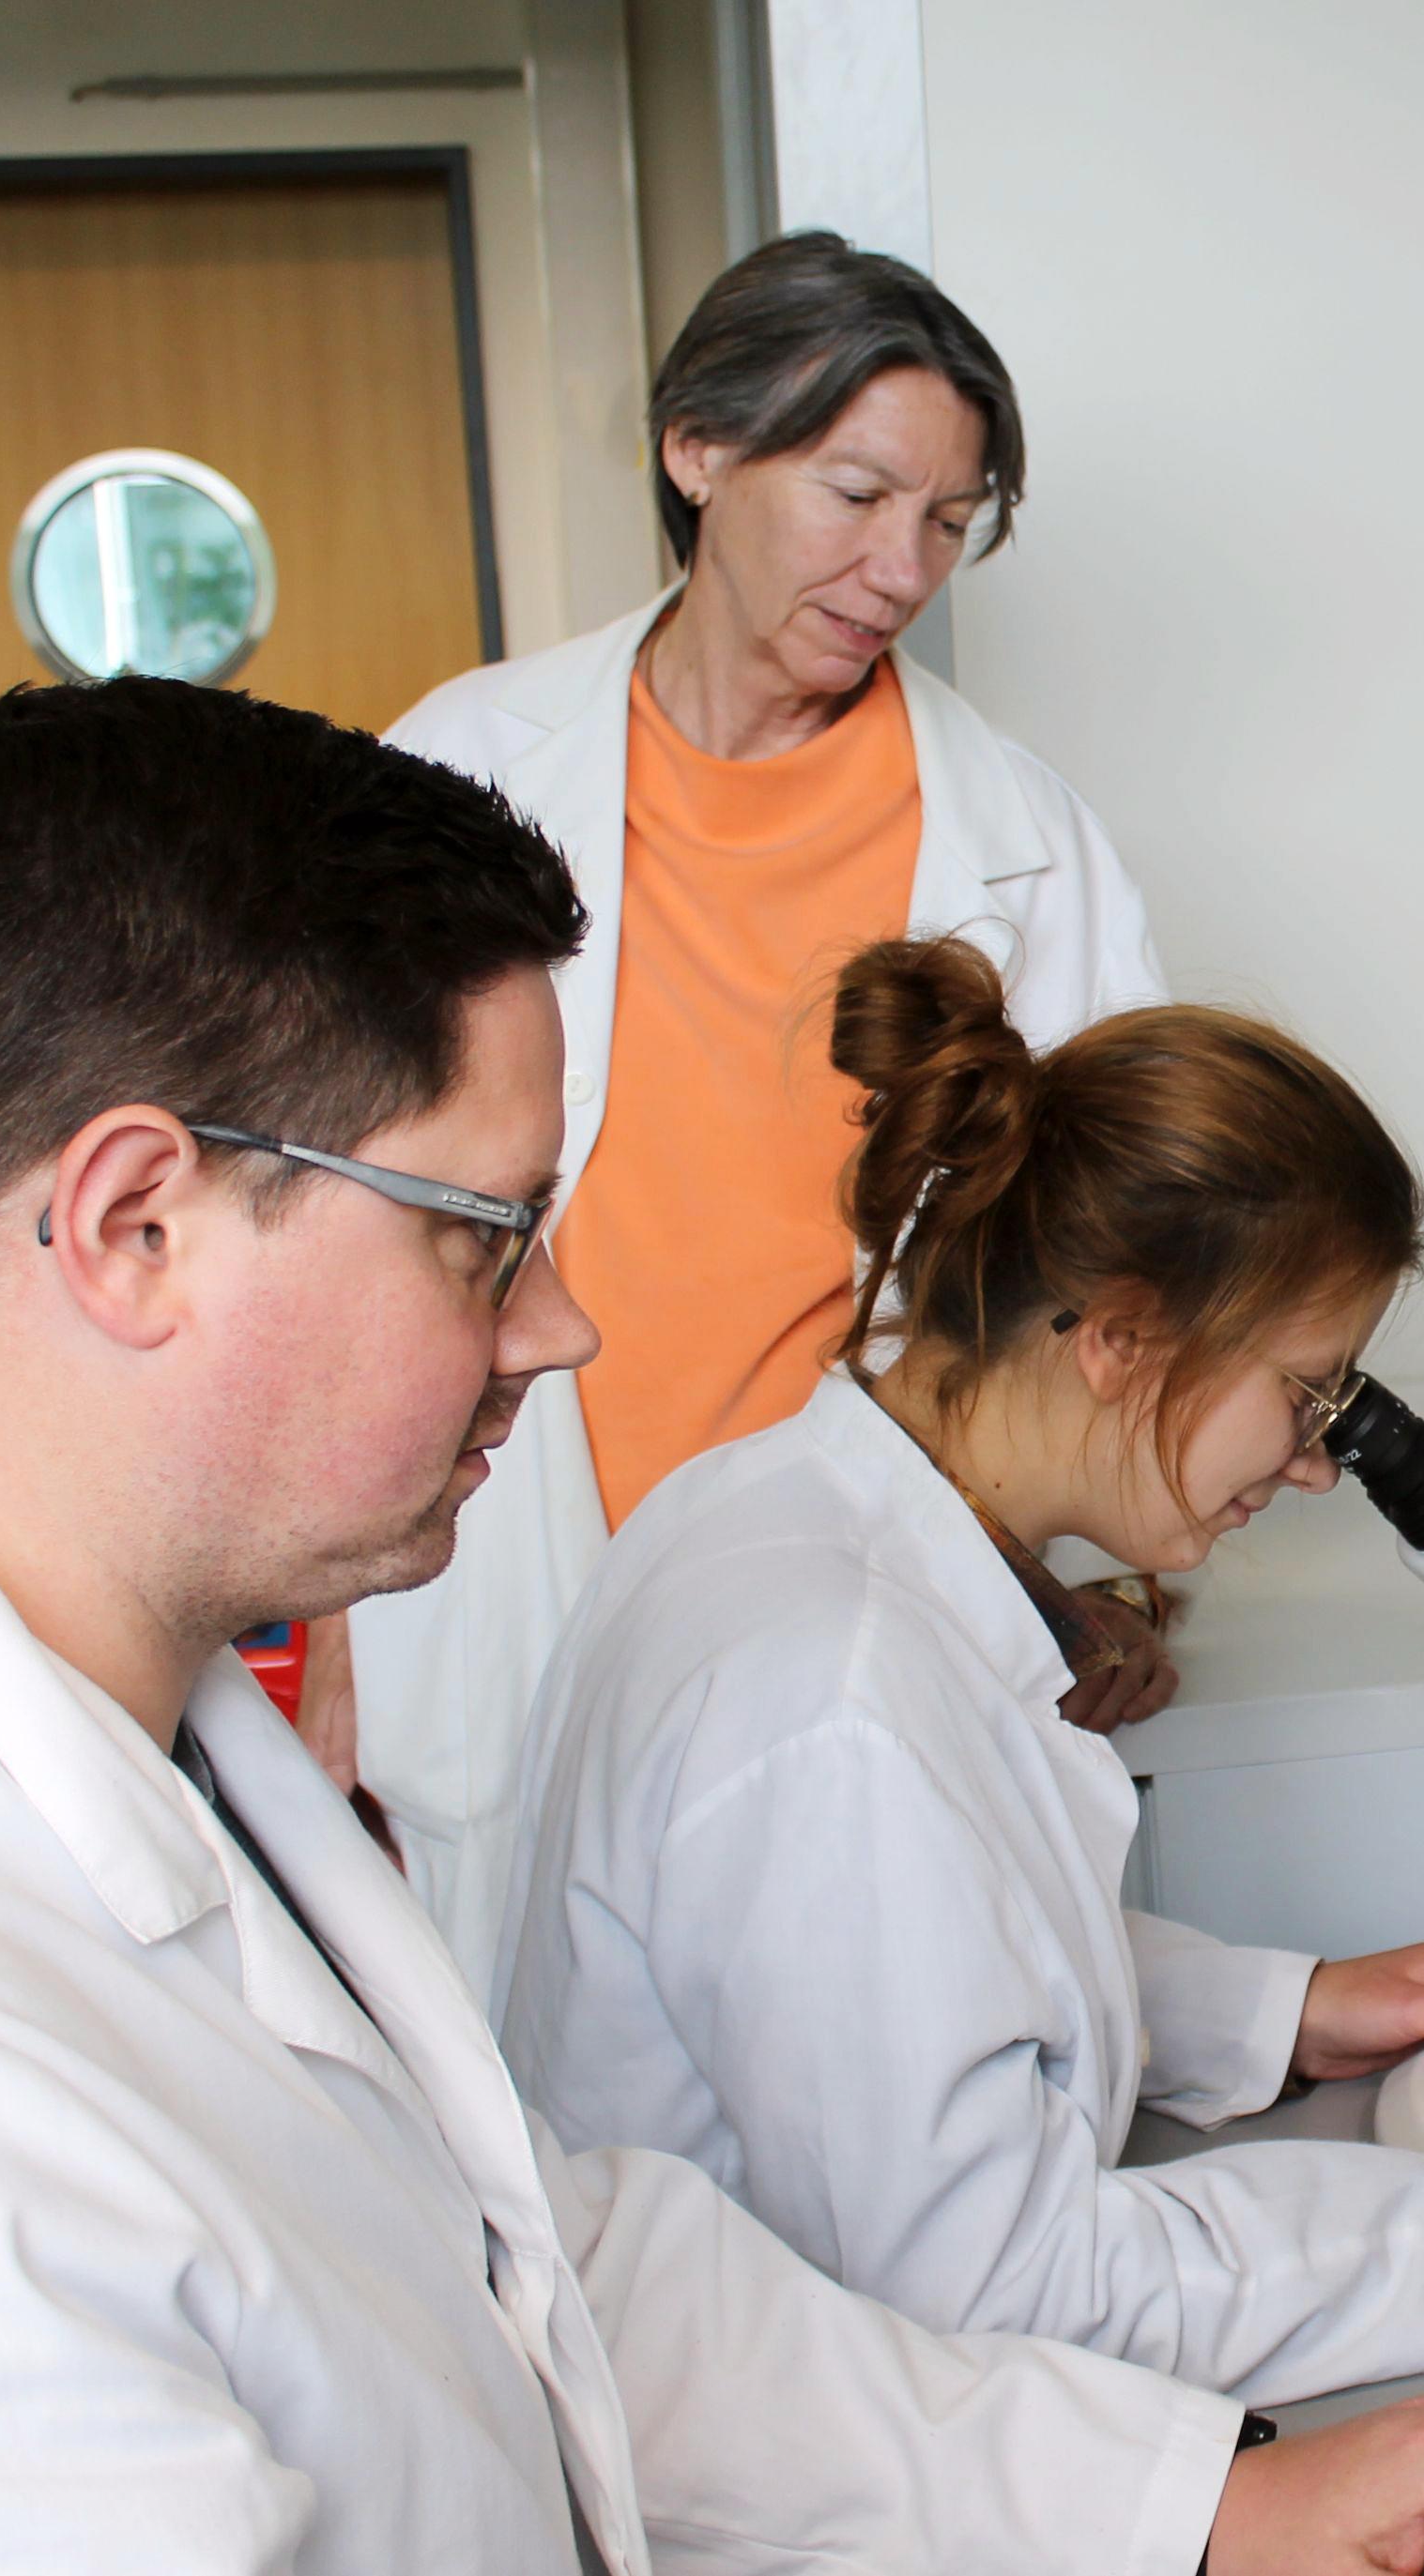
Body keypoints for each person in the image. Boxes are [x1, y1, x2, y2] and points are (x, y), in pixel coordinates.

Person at [0, 680, 1424, 2572]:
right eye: (482, 1237)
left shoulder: (132, 1723)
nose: (560, 1328)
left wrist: (1174, 2508)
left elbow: (544, 2277)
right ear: (133, 1225)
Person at [493, 937, 1424, 2405]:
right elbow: (1004, 2297)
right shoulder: (835, 1698)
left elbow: (930, 1967)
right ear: (1120, 1338)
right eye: (1305, 1392)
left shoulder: (776, 1510)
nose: (1317, 1462)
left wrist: (1276, 2008)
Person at [337, 231, 1172, 1987]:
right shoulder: (460, 770)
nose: (900, 568)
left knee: (887, 2123)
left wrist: (1114, 1578)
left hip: (858, 1607)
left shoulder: (1024, 837)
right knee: (542, 2180)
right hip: (516, 1575)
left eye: (948, 523)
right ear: (698, 449)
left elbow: (1115, 1263)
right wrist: (334, 1642)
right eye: (857, 492)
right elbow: (324, 1208)